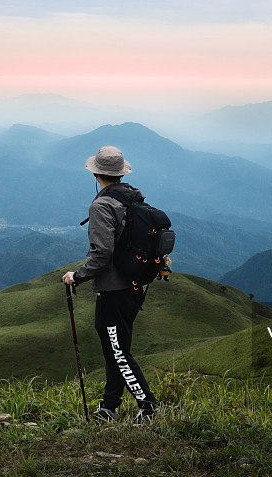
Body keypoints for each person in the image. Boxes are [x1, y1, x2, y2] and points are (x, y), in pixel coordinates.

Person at [62, 145, 159, 425]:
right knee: (115, 350)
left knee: (118, 352)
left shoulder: (102, 205)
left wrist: (77, 276)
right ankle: (109, 408)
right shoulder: (132, 201)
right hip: (133, 288)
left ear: (95, 173)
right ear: (120, 174)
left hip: (114, 291)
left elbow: (101, 254)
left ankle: (149, 407)